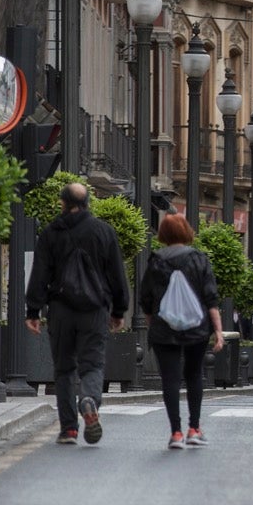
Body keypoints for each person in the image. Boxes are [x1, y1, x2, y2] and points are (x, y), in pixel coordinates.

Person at [24, 182, 129, 444]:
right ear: (87, 203)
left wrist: (33, 310)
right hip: (94, 310)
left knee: (64, 370)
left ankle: (69, 429)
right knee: (92, 364)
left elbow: (40, 273)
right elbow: (117, 274)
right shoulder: (103, 232)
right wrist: (118, 310)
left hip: (60, 310)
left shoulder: (51, 233)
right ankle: (89, 400)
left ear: (63, 203)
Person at [140, 214, 224, 450]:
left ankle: (175, 432)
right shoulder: (199, 259)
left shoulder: (155, 260)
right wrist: (218, 330)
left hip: (163, 329)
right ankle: (194, 429)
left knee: (170, 379)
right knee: (195, 375)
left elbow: (146, 298)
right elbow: (210, 298)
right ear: (187, 231)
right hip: (196, 328)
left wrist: (152, 324)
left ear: (163, 234)